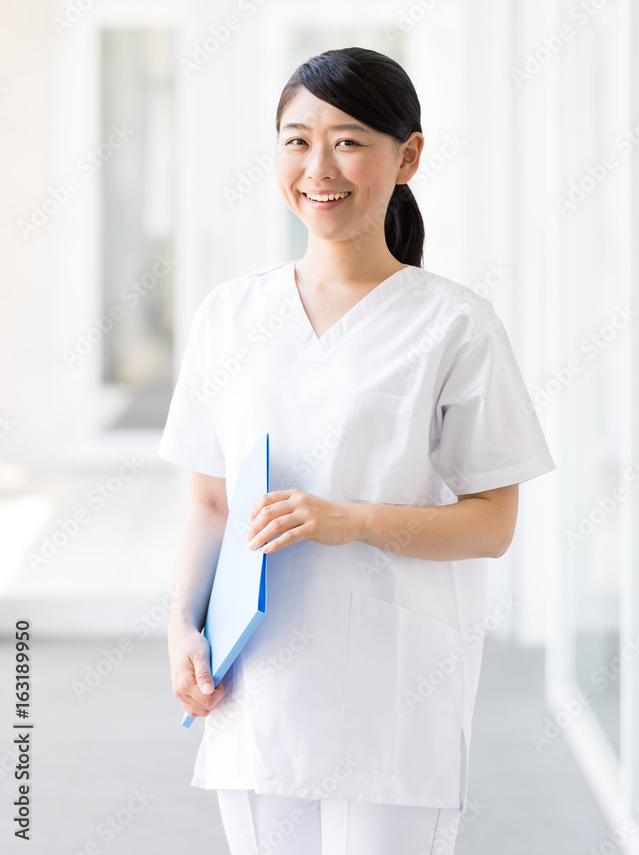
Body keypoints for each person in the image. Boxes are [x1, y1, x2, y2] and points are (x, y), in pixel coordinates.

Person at [159, 46, 556, 855]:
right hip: (256, 681)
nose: (317, 166)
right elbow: (208, 499)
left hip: (392, 683)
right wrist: (180, 625)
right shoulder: (228, 316)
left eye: (347, 140)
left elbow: (490, 525)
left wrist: (349, 519)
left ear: (407, 155)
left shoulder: (454, 323)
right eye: (295, 140)